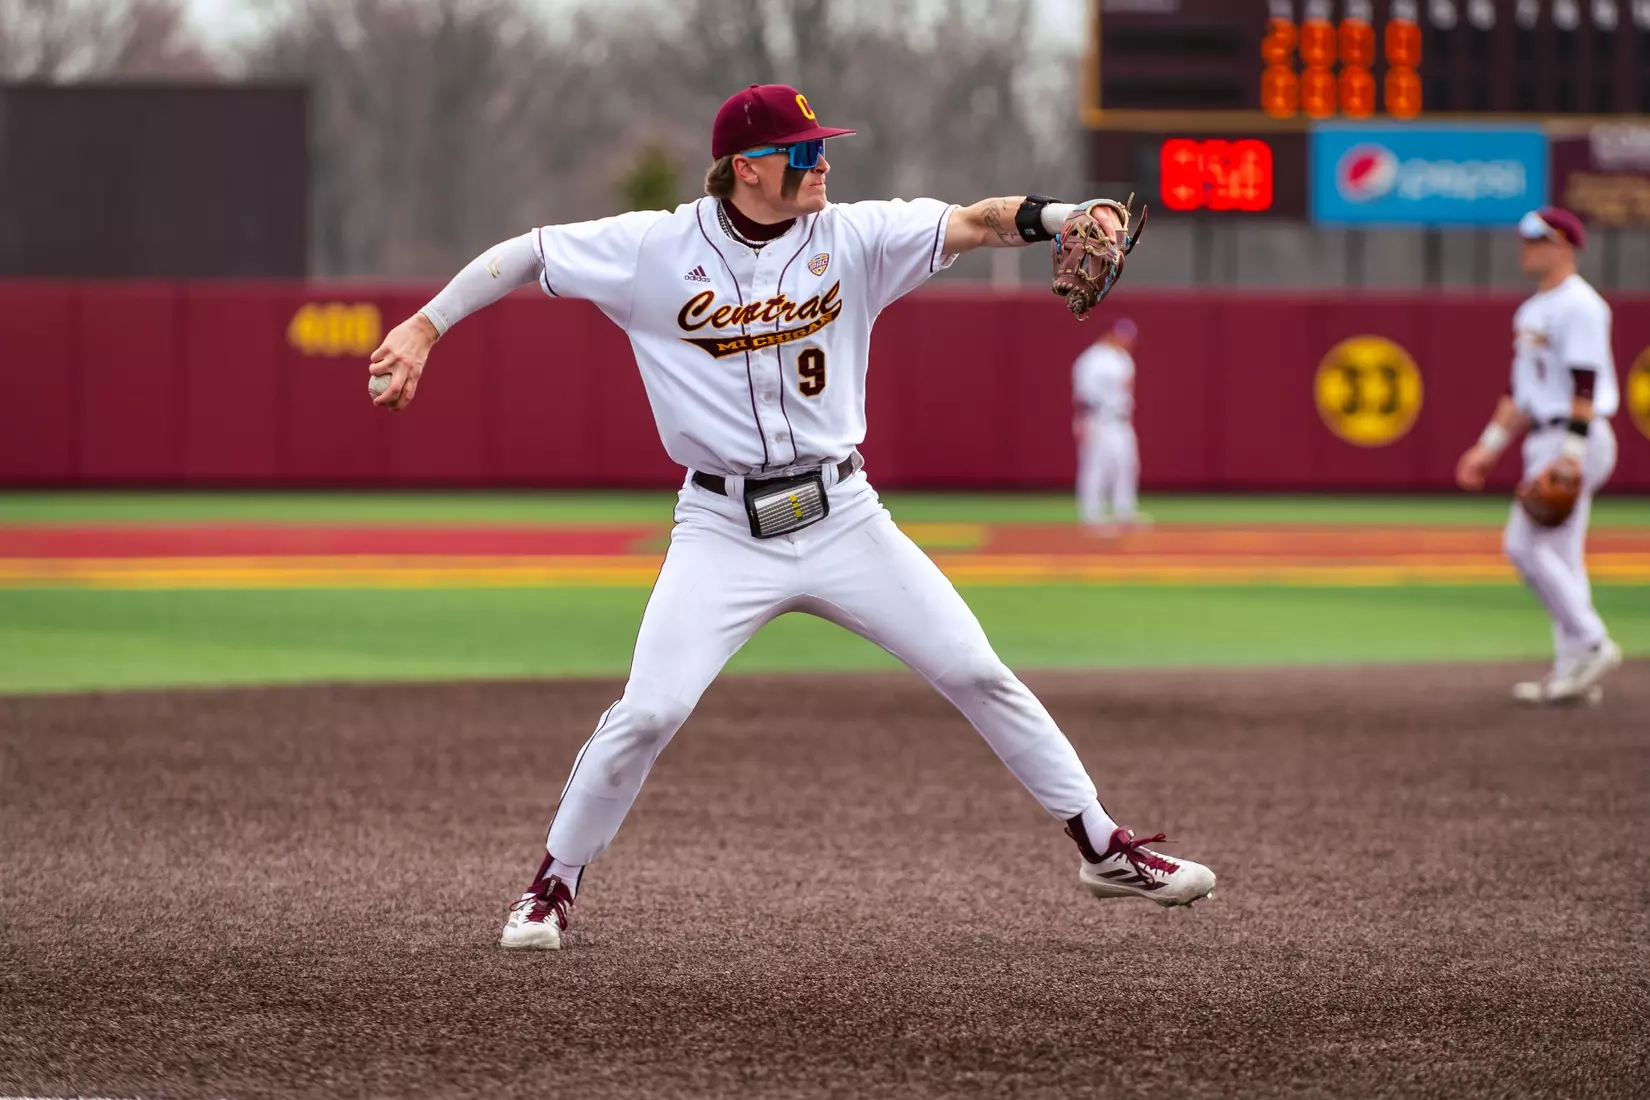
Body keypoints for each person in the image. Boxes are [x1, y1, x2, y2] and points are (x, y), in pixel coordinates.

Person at [367, 84, 1215, 951]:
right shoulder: (654, 248)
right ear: (746, 168)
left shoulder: (852, 236)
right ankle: (551, 885)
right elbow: (522, 255)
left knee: (976, 669)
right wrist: (427, 327)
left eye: (822, 147)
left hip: (844, 512)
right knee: (650, 711)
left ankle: (1103, 846)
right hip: (722, 527)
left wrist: (1072, 212)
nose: (823, 163)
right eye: (804, 151)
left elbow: (980, 221)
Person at [1455, 206, 1622, 706]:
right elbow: (1519, 391)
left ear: (1564, 244)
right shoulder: (1531, 311)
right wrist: (1488, 447)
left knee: (1523, 546)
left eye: (1537, 237)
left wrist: (1570, 456)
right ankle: (1574, 669)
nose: (1525, 245)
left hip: (1575, 436)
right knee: (1563, 557)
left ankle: (1593, 642)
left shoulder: (1581, 305)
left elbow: (1585, 382)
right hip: (1544, 435)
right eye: (1524, 236)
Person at [1072, 316, 1147, 534]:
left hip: (1121, 420)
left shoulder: (1124, 359)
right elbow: (1083, 394)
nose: (1127, 340)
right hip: (1097, 419)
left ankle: (1124, 511)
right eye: (1123, 334)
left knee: (1127, 465)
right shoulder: (1091, 359)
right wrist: (1082, 421)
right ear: (1110, 333)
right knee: (1095, 468)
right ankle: (1092, 515)